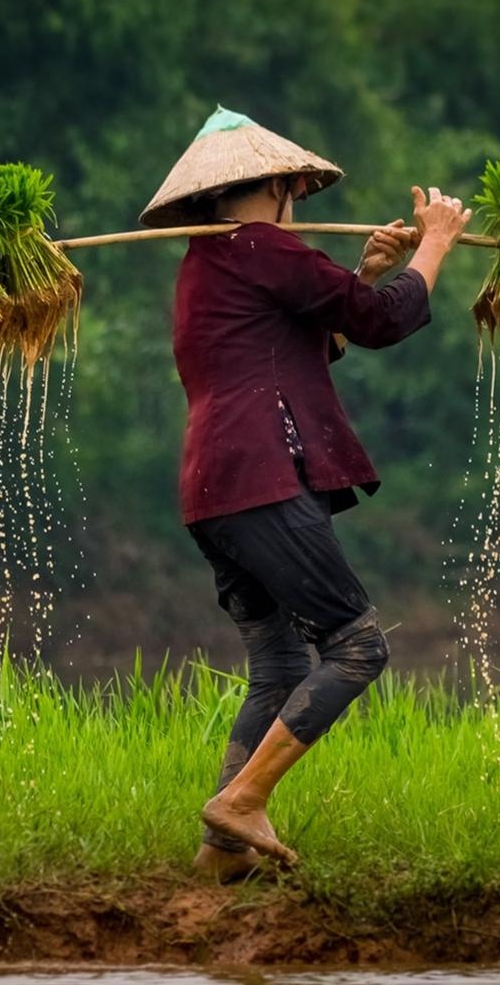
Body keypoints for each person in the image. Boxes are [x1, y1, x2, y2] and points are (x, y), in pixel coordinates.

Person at [139, 107, 472, 877]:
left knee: (281, 667)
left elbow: (320, 336)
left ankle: (217, 864)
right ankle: (242, 798)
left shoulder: (211, 262)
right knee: (357, 645)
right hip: (258, 479)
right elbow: (383, 324)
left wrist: (362, 273)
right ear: (285, 184)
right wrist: (435, 244)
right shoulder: (261, 246)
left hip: (213, 490)